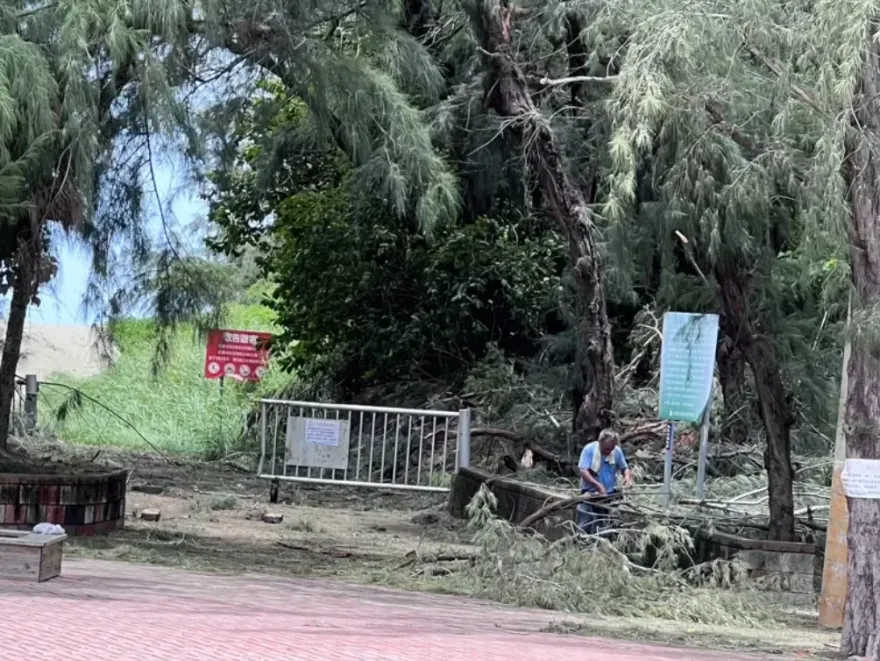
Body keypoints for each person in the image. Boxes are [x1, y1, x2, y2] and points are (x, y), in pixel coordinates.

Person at [577, 428, 633, 535]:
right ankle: (580, 544)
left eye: (611, 449)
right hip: (589, 494)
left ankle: (599, 546)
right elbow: (583, 471)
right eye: (606, 449)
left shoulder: (616, 452)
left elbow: (625, 468)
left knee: (602, 525)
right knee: (584, 523)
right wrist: (597, 486)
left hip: (608, 496)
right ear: (600, 442)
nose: (609, 452)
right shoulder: (589, 449)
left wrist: (627, 477)